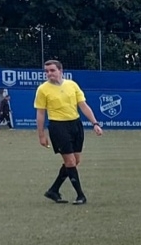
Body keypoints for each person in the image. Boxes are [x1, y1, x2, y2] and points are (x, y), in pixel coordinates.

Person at [35, 60, 103, 205]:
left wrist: (95, 123)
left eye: (52, 70)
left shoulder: (72, 85)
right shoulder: (42, 89)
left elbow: (83, 106)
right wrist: (41, 135)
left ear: (61, 71)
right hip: (58, 126)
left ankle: (53, 190)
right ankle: (80, 195)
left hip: (75, 125)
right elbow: (40, 113)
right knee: (70, 161)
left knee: (75, 161)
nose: (49, 73)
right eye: (46, 71)